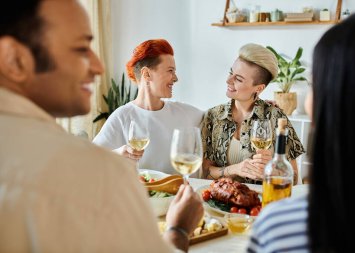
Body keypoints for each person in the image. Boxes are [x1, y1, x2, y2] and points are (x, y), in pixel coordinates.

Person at [0, 1, 203, 252]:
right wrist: (179, 230)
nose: (98, 67)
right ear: (15, 59)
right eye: (80, 48)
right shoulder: (99, 174)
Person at [247, 12, 355, 252]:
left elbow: (293, 176)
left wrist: (178, 232)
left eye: (313, 85)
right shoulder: (214, 116)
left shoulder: (280, 229)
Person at [93, 39, 203, 174]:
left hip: (180, 194)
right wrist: (118, 154)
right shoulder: (122, 116)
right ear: (147, 74)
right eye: (170, 71)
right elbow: (90, 158)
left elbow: (221, 116)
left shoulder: (185, 112)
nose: (175, 78)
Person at [201, 43, 304, 184]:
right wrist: (234, 169)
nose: (228, 80)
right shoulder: (213, 116)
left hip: (262, 202)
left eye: (238, 79)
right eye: (231, 72)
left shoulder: (276, 118)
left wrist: (271, 170)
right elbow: (204, 173)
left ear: (259, 88)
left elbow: (294, 178)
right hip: (220, 201)